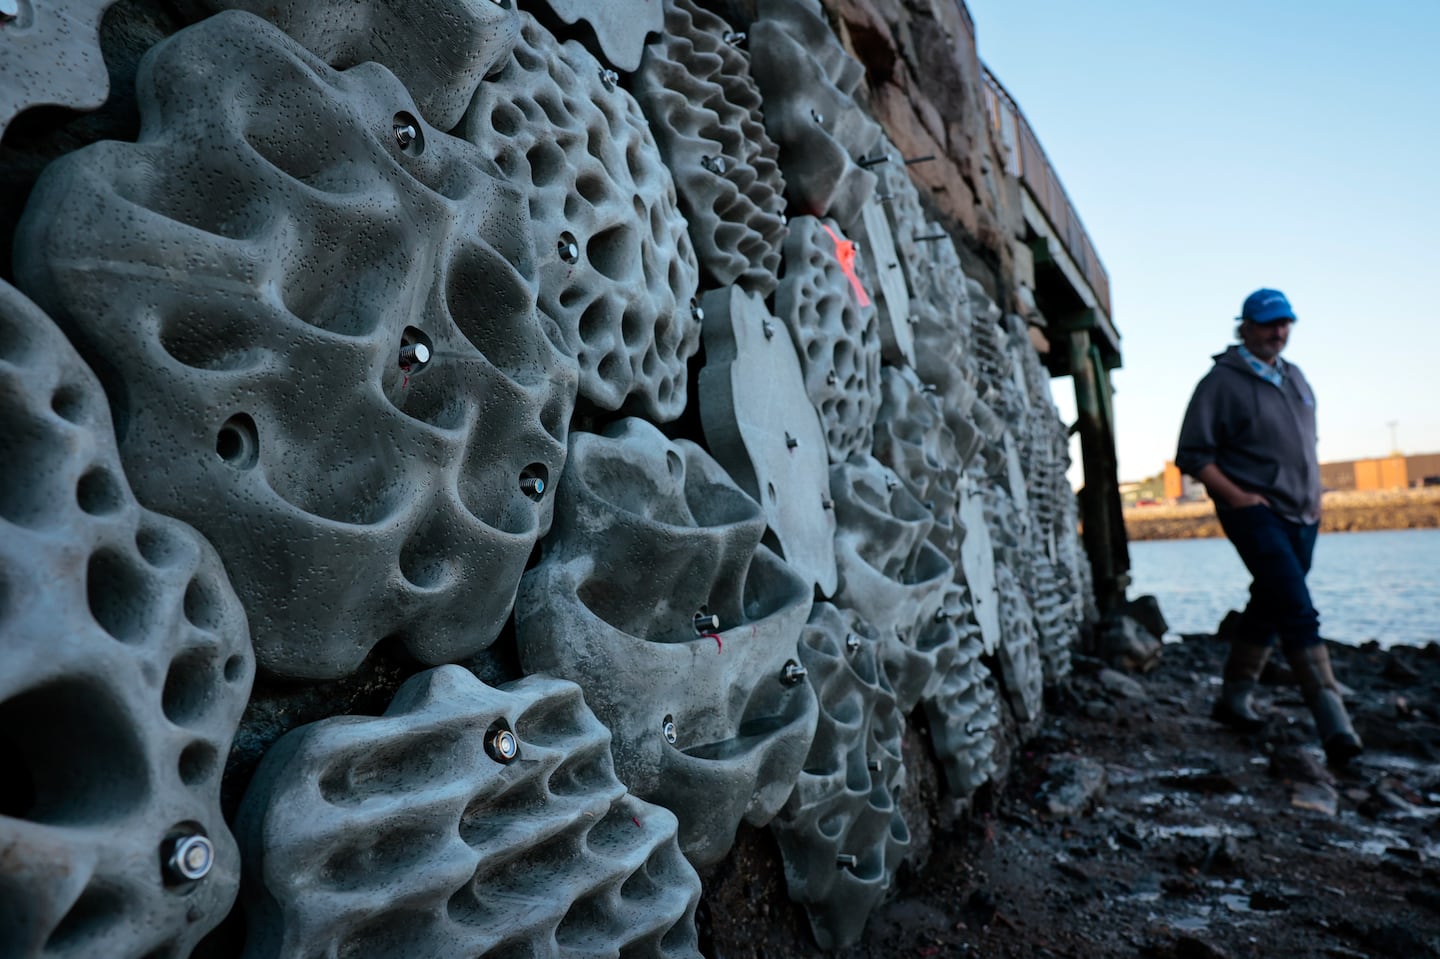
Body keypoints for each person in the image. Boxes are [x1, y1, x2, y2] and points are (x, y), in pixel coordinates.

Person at [1175, 288, 1363, 765]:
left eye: (1285, 324)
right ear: (1245, 326)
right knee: (1298, 608)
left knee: (1271, 599)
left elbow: (1306, 443)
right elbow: (1193, 455)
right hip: (1255, 513)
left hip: (1303, 513)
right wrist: (1237, 498)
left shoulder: (1294, 377)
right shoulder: (1220, 381)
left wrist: (1315, 495)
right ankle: (1335, 724)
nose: (1278, 333)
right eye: (1267, 324)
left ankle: (1233, 700)